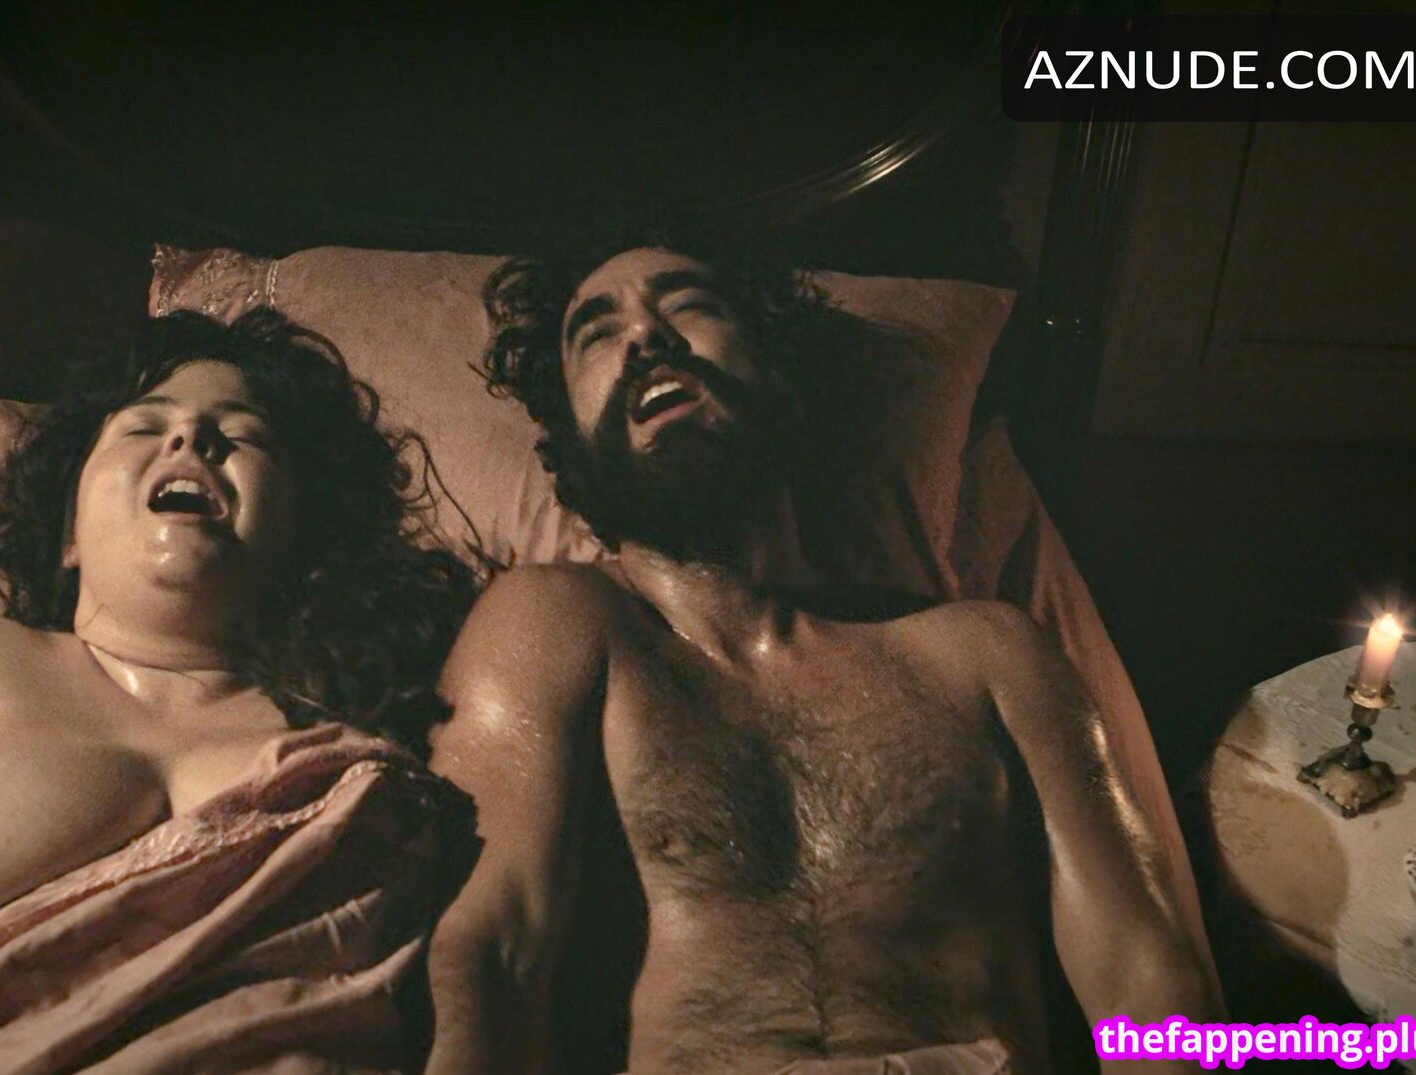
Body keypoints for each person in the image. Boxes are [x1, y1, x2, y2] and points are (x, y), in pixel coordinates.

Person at [424, 243, 1223, 1075]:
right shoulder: (555, 621)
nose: (646, 336)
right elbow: (489, 954)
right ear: (570, 435)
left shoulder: (986, 650)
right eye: (596, 333)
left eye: (688, 303)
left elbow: (1146, 969)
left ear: (776, 370)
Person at [0, 309, 480, 1074]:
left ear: (304, 535)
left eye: (244, 435)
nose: (191, 437)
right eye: (145, 425)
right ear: (68, 530)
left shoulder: (353, 749)